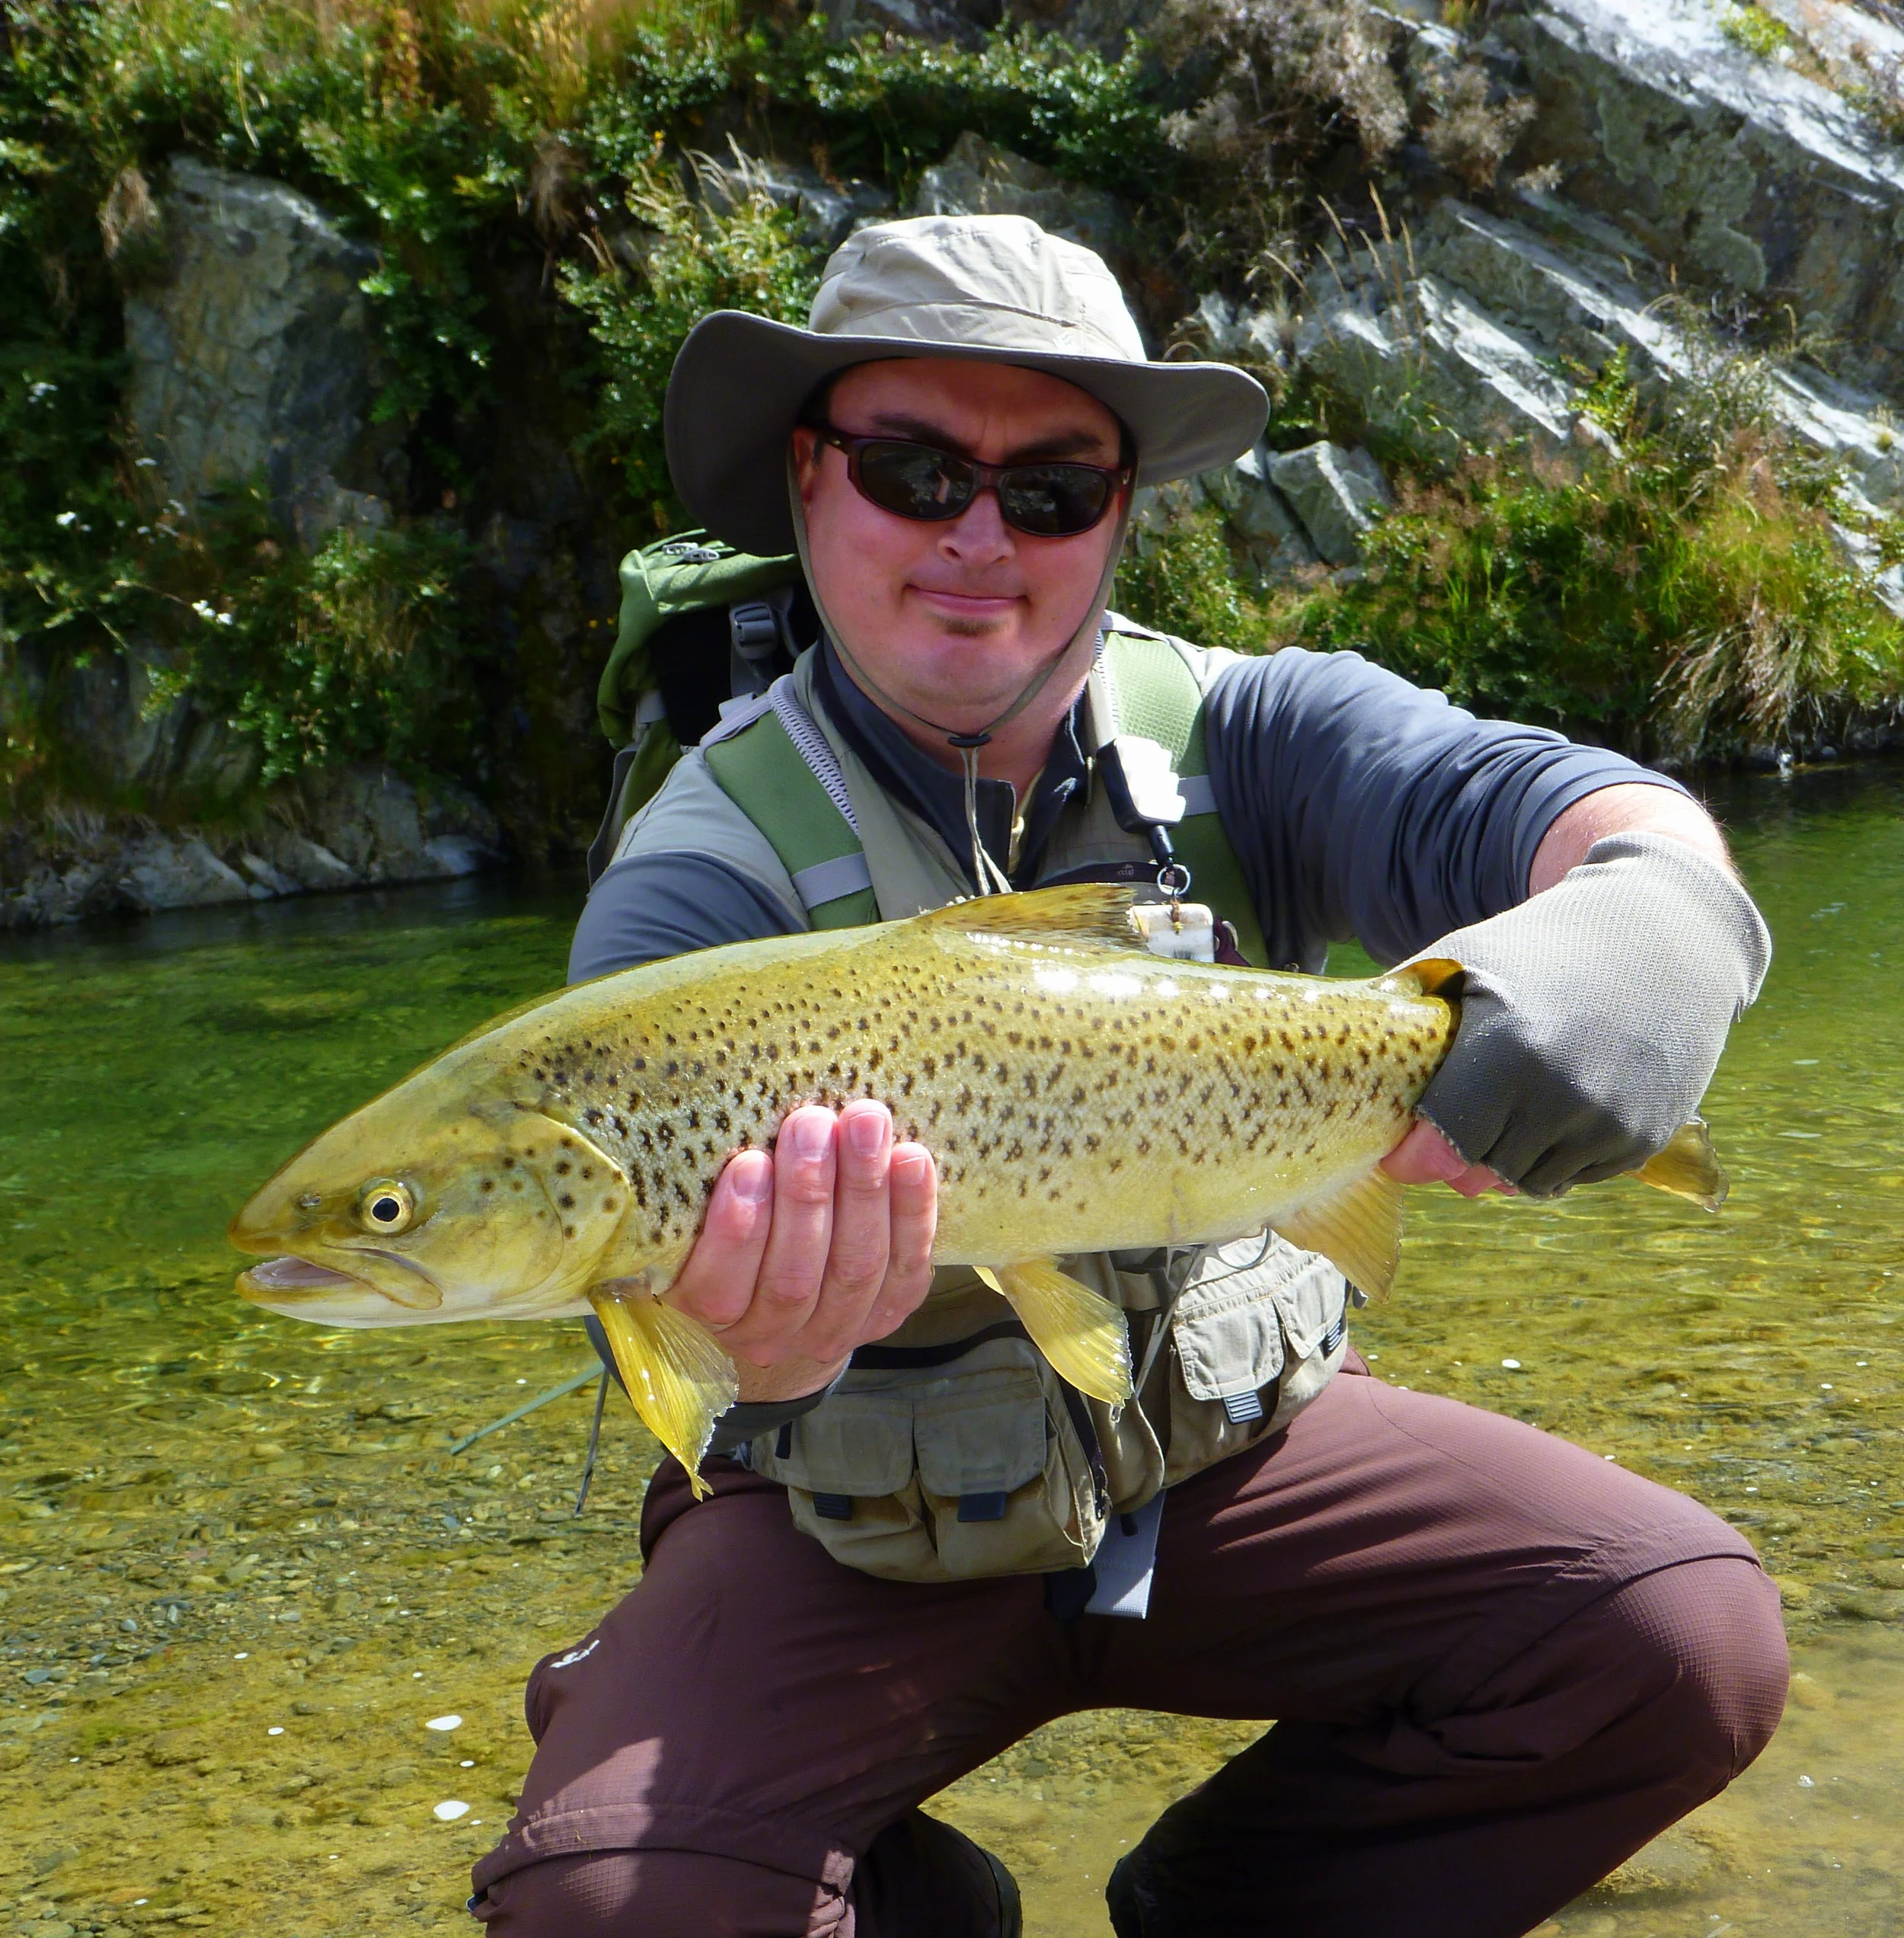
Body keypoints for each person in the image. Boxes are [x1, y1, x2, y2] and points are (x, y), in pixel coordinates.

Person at [467, 215, 1786, 1937]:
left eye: (1049, 488)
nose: (975, 537)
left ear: (1119, 513)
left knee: (1666, 1641)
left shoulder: (1253, 732)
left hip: (1221, 1450)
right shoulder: (700, 877)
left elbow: (1601, 818)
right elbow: (636, 1319)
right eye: (912, 468)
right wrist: (745, 1338)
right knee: (610, 1905)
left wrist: (1647, 935)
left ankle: (1227, 1909)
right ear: (807, 480)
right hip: (847, 1515)